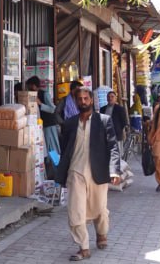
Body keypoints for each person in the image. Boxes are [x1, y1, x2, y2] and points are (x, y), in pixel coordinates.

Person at [55, 87, 121, 261]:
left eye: (86, 98)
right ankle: (83, 247)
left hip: (97, 172)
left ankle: (101, 234)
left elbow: (113, 147)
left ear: (91, 100)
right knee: (76, 211)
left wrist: (114, 170)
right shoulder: (69, 123)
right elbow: (65, 149)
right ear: (76, 101)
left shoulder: (104, 121)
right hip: (75, 172)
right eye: (80, 99)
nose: (83, 102)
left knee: (99, 209)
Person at [26, 76, 60, 175]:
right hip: (40, 126)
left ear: (33, 86)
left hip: (49, 126)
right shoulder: (32, 95)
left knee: (52, 149)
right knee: (43, 150)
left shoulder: (44, 94)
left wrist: (40, 104)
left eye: (29, 86)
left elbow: (53, 109)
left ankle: (58, 171)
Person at [100, 91, 128, 156]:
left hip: (116, 135)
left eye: (112, 97)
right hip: (105, 135)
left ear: (115, 98)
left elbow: (124, 122)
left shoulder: (120, 109)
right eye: (108, 97)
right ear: (106, 98)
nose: (110, 98)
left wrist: (118, 129)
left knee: (116, 155)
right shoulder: (102, 109)